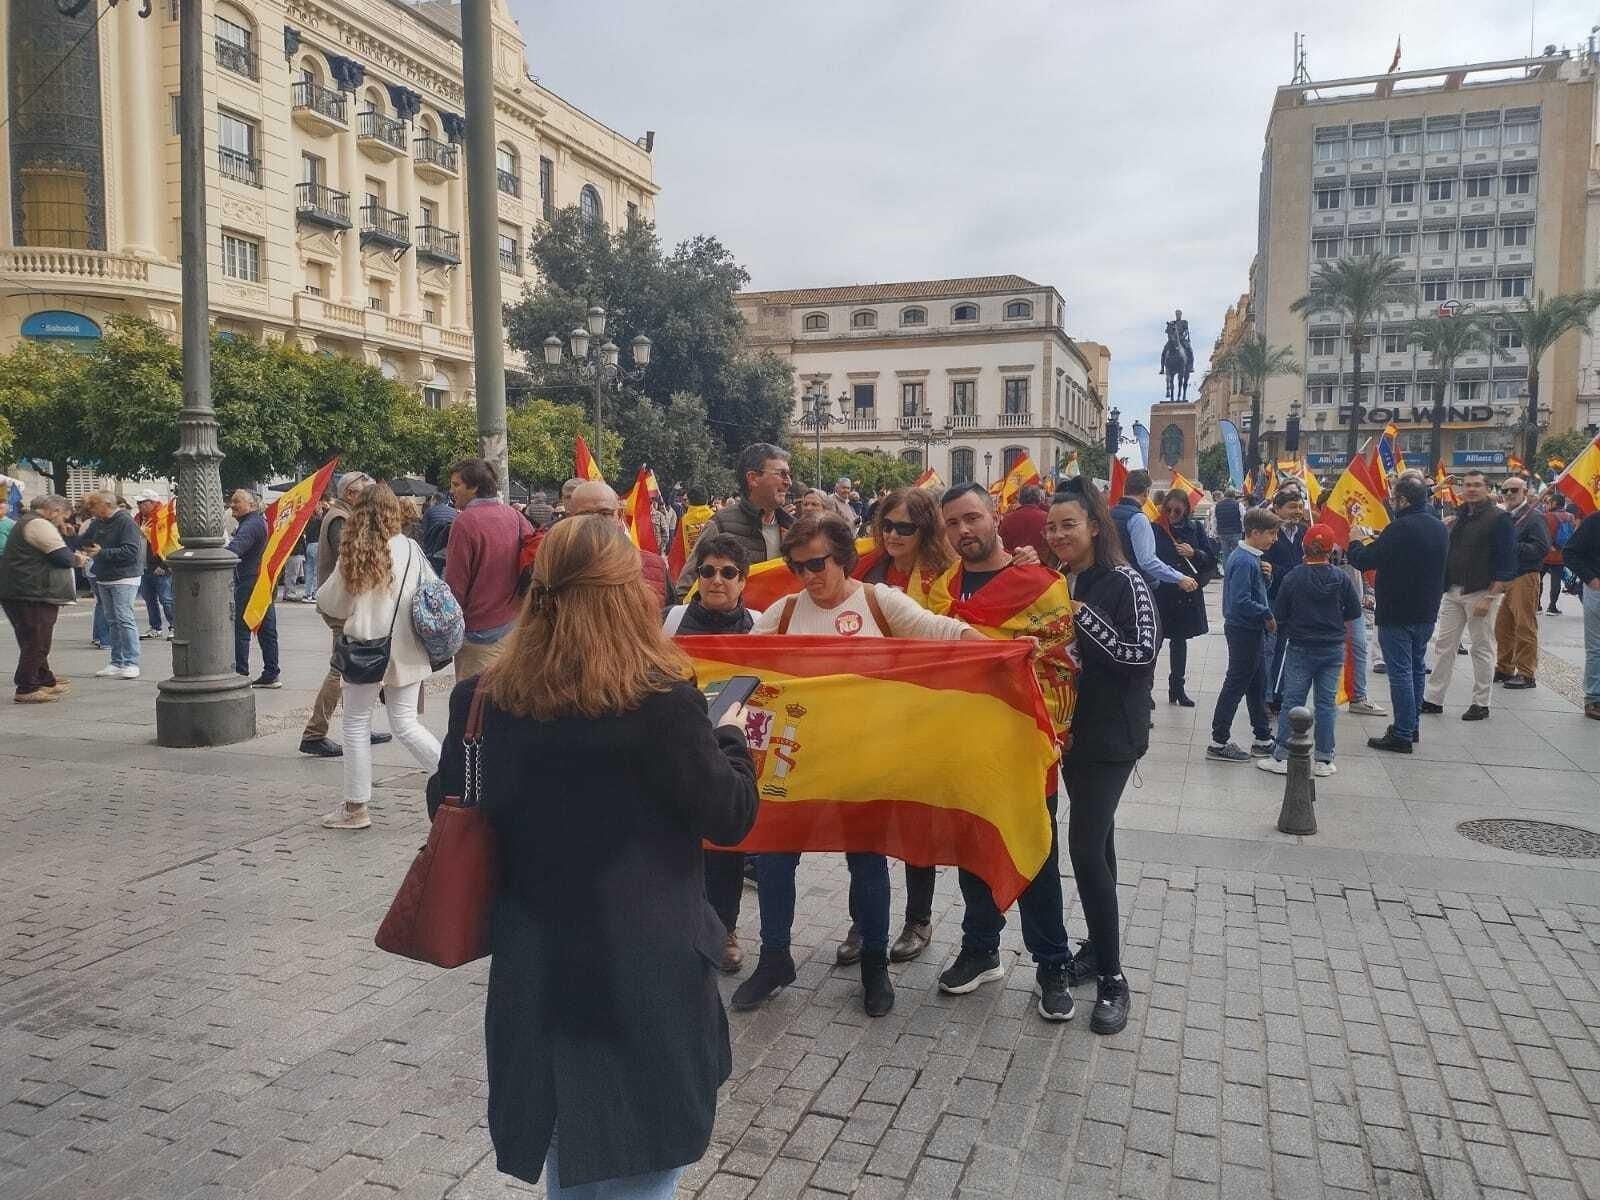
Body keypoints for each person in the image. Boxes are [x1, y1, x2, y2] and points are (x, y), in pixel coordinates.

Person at [430, 514, 757, 1197]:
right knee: (642, 1164)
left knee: (570, 1164)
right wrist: (728, 739)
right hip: (645, 971)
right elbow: (729, 817)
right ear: (626, 596)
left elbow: (449, 807)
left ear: (538, 592)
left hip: (538, 969)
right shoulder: (662, 702)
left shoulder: (482, 700)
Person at [737, 515, 981, 1018]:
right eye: (798, 566)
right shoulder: (782, 614)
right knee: (775, 859)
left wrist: (995, 649)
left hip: (864, 760)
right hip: (795, 761)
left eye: (818, 563)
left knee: (866, 862)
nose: (809, 576)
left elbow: (940, 631)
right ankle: (775, 958)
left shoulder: (877, 601)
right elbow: (739, 660)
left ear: (844, 557)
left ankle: (874, 966)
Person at [932, 484, 1083, 1023]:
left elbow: (1059, 666)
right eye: (952, 524)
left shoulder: (1041, 587)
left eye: (971, 518)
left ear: (994, 516)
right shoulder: (940, 590)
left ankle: (1052, 963)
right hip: (963, 744)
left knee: (1036, 852)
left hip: (1022, 746)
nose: (963, 531)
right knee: (974, 847)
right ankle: (981, 949)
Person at [1043, 480, 1157, 1034]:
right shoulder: (1060, 579)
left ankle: (1113, 977)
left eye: (1069, 524)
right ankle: (1096, 948)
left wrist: (1079, 613)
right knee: (1100, 846)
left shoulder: (1126, 581)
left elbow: (1139, 656)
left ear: (1094, 526)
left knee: (1085, 849)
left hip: (1112, 737)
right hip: (1069, 734)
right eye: (1052, 526)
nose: (1059, 534)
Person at [835, 486, 958, 965]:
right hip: (867, 713)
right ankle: (864, 919)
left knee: (916, 821)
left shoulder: (946, 574)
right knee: (865, 821)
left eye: (904, 527)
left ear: (925, 528)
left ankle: (917, 919)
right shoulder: (867, 568)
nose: (892, 534)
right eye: (886, 524)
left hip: (923, 712)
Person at [313, 484, 443, 830]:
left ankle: (356, 808)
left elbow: (330, 603)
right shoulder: (412, 549)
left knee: (356, 725)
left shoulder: (356, 552)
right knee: (406, 724)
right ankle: (457, 779)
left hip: (364, 649)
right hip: (408, 648)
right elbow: (431, 591)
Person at [662, 532, 761, 972]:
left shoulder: (762, 626)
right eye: (707, 571)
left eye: (727, 573)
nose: (716, 580)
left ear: (743, 580)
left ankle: (724, 931)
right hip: (677, 750)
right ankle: (677, 927)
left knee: (727, 849)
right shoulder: (669, 622)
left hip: (737, 746)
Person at [1348, 471, 1448, 753]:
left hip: (1397, 611)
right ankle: (1411, 725)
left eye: (1393, 497)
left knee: (1401, 672)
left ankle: (1402, 733)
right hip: (1426, 609)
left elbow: (1364, 559)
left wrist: (1355, 540)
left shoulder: (1399, 528)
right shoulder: (1438, 526)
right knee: (1416, 669)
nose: (1391, 502)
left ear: (1402, 500)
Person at [1256, 524, 1359, 777]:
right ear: (1330, 550)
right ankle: (1324, 759)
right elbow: (1354, 612)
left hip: (1301, 646)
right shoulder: (1341, 578)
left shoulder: (1293, 576)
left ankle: (1281, 755)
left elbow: (1280, 613)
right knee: (1325, 704)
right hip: (1333, 646)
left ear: (1303, 547)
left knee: (1293, 700)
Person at [301, 475, 394, 756]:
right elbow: (355, 563)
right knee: (340, 667)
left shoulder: (342, 514)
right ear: (352, 494)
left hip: (343, 603)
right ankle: (314, 733)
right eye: (366, 493)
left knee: (348, 667)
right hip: (343, 606)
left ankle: (356, 726)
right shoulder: (341, 518)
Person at [1421, 470, 1515, 721]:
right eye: (1468, 485)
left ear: (1487, 489)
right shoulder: (1460, 517)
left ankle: (1481, 703)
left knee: (1482, 647)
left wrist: (1491, 596)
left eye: (1477, 485)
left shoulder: (1499, 518)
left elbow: (1507, 562)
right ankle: (1433, 698)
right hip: (1453, 589)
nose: (1472, 489)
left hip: (1482, 590)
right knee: (1444, 645)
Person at [444, 458, 534, 679]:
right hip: (512, 623)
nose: (451, 490)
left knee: (474, 704)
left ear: (474, 487)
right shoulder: (514, 515)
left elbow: (456, 584)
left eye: (456, 485)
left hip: (477, 631)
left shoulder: (465, 522)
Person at [1206, 507, 1281, 762]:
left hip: (1249, 629)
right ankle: (1218, 741)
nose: (1274, 539)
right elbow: (1240, 601)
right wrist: (1266, 614)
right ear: (1255, 532)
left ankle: (1262, 737)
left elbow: (1252, 591)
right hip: (1243, 629)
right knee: (1236, 684)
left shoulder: (1251, 558)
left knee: (1257, 683)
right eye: (1271, 533)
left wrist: (1266, 579)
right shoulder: (1243, 560)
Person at [0, 494, 88, 703]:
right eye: (63, 517)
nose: (63, 521)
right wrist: (80, 559)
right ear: (55, 511)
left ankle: (43, 679)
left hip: (22, 590)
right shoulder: (38, 524)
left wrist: (66, 536)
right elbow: (62, 557)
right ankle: (27, 687)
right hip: (31, 591)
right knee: (37, 639)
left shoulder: (27, 521)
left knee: (32, 638)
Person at [675, 443, 793, 591]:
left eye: (789, 475)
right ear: (753, 478)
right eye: (781, 474)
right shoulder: (720, 525)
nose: (789, 482)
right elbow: (685, 588)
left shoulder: (793, 528)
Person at [1150, 489, 1215, 707]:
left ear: (1186, 510)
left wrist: (1193, 553)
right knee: (1154, 642)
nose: (1172, 514)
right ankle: (1146, 690)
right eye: (1168, 509)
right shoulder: (1155, 528)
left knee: (1180, 642)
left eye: (1177, 510)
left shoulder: (1194, 528)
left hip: (1185, 593)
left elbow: (1210, 560)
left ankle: (1177, 688)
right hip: (1162, 593)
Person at [568, 481, 675, 610]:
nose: (595, 522)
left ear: (619, 516)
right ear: (570, 519)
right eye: (585, 515)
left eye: (604, 513)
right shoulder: (555, 567)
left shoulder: (654, 567)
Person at [1492, 476, 1550, 690]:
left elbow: (1541, 548)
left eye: (1514, 490)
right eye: (1504, 490)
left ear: (1524, 492)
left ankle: (1526, 672)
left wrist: (1512, 546)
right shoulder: (1506, 517)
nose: (1508, 494)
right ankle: (1504, 667)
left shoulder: (1534, 518)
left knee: (1524, 626)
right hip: (1506, 577)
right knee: (1502, 627)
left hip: (1524, 576)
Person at [82, 491, 146, 680]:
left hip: (124, 576)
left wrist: (102, 553)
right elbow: (86, 540)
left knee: (124, 618)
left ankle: (131, 662)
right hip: (104, 576)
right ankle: (117, 661)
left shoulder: (125, 522)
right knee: (112, 620)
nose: (91, 510)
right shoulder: (98, 522)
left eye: (94, 506)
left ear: (106, 505)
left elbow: (131, 551)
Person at [1109, 470, 1193, 598]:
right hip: (1133, 586)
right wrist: (1179, 578)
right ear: (1146, 492)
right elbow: (1147, 561)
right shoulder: (1138, 518)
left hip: (1110, 581)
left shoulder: (1108, 514)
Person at [1260, 488, 1307, 710]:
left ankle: (1281, 693)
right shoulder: (1268, 533)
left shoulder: (1306, 533)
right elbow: (1264, 564)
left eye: (1300, 506)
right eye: (1292, 507)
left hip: (1297, 602)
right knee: (1269, 648)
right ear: (1277, 509)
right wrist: (1289, 571)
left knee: (1288, 649)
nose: (1297, 512)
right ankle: (1265, 696)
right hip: (1272, 599)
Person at [1561, 508, 1600, 720]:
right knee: (1596, 648)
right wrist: (1591, 579)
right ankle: (1594, 698)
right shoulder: (1594, 521)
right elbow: (1569, 552)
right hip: (1597, 591)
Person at [1542, 492, 1576, 615]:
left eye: (1549, 502)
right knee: (1556, 580)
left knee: (1538, 579)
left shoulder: (1546, 516)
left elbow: (1543, 535)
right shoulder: (1570, 517)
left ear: (1554, 503)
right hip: (1561, 554)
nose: (1547, 505)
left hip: (1546, 553)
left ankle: (1537, 605)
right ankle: (1552, 607)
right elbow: (1573, 534)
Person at [999, 484, 1050, 559]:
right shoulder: (1047, 518)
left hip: (1014, 564)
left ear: (1020, 500)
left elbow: (1002, 545)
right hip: (1040, 564)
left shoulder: (1007, 519)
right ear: (1039, 499)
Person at [420, 490, 456, 575]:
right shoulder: (454, 512)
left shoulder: (429, 511)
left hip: (432, 549)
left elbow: (423, 531)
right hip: (449, 548)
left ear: (434, 501)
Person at [302, 499, 326, 603]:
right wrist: (324, 509)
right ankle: (316, 594)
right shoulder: (319, 520)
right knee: (317, 570)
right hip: (317, 544)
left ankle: (307, 593)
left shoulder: (308, 520)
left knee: (309, 571)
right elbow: (325, 520)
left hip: (309, 545)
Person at [1213, 487, 1243, 561]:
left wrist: (1215, 534)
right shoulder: (1238, 505)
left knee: (1226, 555)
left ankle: (1227, 571)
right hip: (1236, 532)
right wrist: (1243, 529)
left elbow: (1214, 520)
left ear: (1225, 495)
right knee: (1237, 554)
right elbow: (1243, 518)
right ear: (1234, 496)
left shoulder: (1217, 505)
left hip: (1222, 533)